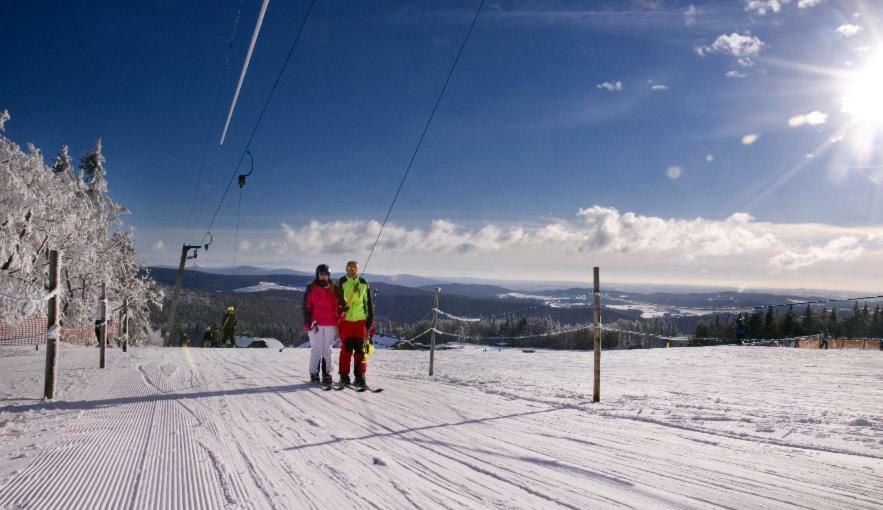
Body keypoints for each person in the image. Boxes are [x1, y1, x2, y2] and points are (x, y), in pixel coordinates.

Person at [336, 260, 374, 387]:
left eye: (354, 269)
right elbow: (338, 299)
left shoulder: (363, 283)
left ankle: (360, 376)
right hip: (346, 320)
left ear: (357, 270)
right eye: (350, 268)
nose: (352, 271)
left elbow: (368, 302)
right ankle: (344, 376)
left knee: (360, 349)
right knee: (346, 349)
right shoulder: (342, 282)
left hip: (360, 320)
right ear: (346, 269)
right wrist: (341, 307)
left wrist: (370, 318)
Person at [302, 264, 337, 385]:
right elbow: (306, 307)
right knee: (316, 349)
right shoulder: (311, 288)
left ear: (329, 275)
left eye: (326, 274)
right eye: (321, 275)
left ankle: (327, 373)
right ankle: (314, 373)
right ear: (317, 275)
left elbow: (338, 305)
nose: (323, 277)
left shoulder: (334, 288)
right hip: (315, 323)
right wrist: (307, 322)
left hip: (330, 323)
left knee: (327, 350)